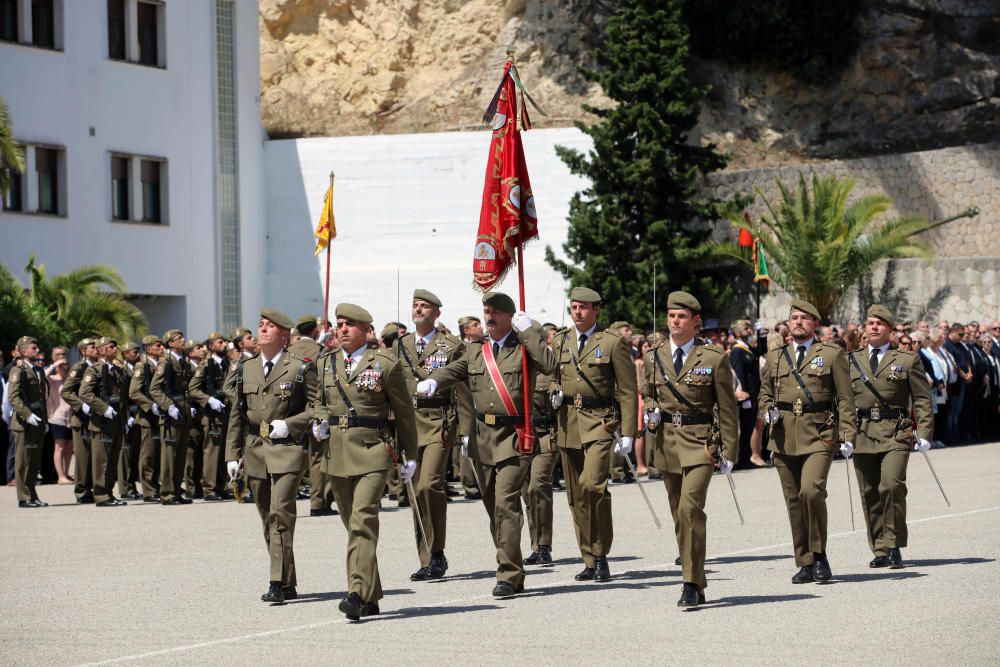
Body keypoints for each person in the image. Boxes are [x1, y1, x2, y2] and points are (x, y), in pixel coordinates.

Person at [416, 291, 555, 598]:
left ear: (509, 316)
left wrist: (530, 330)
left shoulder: (524, 348)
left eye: (495, 312)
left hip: (514, 436)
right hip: (483, 440)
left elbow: (549, 365)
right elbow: (456, 369)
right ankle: (511, 563)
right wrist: (435, 380)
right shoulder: (477, 350)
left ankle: (507, 574)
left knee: (506, 504)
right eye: (486, 311)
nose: (489, 317)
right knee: (494, 508)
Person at [310, 303, 415, 619]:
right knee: (353, 526)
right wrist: (318, 420)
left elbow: (405, 414)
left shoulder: (385, 363)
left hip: (373, 451)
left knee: (362, 522)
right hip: (337, 453)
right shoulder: (326, 363)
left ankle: (355, 593)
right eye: (340, 323)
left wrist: (410, 456)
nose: (342, 329)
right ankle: (371, 594)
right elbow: (319, 402)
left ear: (367, 330)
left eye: (350, 324)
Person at [641, 292, 738, 607]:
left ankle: (690, 583)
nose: (674, 322)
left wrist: (730, 450)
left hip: (700, 443)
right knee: (679, 516)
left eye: (681, 317)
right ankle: (697, 576)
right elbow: (647, 391)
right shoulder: (654, 355)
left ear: (696, 322)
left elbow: (726, 408)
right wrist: (652, 407)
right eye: (671, 316)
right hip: (667, 442)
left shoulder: (713, 357)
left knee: (689, 509)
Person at [758, 300, 856, 584]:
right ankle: (804, 561)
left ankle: (820, 552)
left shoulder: (831, 354)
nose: (798, 322)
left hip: (819, 433)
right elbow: (764, 394)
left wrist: (847, 433)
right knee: (793, 500)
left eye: (804, 318)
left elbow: (844, 398)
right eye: (794, 318)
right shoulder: (776, 356)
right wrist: (767, 410)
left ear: (815, 324)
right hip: (784, 435)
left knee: (811, 492)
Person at [225, 309, 319, 605]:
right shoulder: (246, 368)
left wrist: (289, 424)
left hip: (287, 449)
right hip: (255, 450)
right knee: (268, 519)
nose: (262, 330)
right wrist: (232, 454)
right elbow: (237, 414)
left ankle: (276, 582)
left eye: (269, 327)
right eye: (260, 325)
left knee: (281, 514)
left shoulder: (300, 367)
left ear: (283, 334)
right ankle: (288, 580)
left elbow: (317, 407)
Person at [551, 286, 638, 583]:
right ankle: (588, 557)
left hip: (600, 423)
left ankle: (601, 554)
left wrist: (629, 432)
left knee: (593, 487)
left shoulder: (613, 343)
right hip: (568, 423)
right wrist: (552, 390)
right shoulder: (561, 341)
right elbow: (547, 375)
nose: (578, 312)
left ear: (596, 309)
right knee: (576, 496)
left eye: (584, 307)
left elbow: (627, 390)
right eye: (574, 307)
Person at [847, 305, 934, 569]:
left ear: (890, 330)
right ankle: (880, 548)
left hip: (896, 431)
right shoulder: (850, 360)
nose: (873, 327)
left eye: (880, 323)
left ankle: (894, 544)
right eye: (870, 322)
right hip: (862, 432)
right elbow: (841, 400)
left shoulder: (907, 360)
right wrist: (842, 433)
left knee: (892, 485)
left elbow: (921, 398)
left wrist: (925, 432)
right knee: (870, 492)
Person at [395, 289, 473, 582]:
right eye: (415, 305)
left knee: (429, 485)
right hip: (409, 424)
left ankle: (437, 551)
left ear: (437, 313)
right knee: (415, 493)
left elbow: (463, 391)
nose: (418, 309)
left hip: (439, 422)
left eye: (425, 306)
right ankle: (427, 557)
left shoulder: (451, 346)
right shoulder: (399, 345)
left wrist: (466, 431)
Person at [78, 337, 129, 507]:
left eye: (115, 346)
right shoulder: (94, 370)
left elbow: (123, 395)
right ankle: (100, 495)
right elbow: (84, 393)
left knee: (113, 459)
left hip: (116, 420)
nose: (115, 349)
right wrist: (103, 408)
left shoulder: (116, 369)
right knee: (102, 461)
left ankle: (108, 492)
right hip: (102, 421)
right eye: (111, 346)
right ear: (101, 350)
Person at [150, 329, 194, 505]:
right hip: (171, 414)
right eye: (179, 339)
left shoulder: (182, 361)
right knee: (169, 455)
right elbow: (154, 388)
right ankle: (167, 493)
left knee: (181, 454)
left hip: (182, 412)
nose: (183, 340)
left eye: (182, 337)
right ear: (170, 343)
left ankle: (176, 491)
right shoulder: (165, 362)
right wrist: (168, 406)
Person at [189, 332, 231, 502]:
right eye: (220, 342)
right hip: (212, 414)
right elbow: (193, 389)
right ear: (212, 346)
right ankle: (209, 488)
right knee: (212, 452)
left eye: (225, 341)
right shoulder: (206, 364)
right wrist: (209, 400)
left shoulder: (227, 363)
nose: (225, 344)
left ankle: (220, 486)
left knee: (222, 453)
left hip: (226, 412)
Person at [8, 336, 49, 507]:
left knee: (33, 462)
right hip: (24, 423)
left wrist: (44, 420)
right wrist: (27, 414)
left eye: (37, 347)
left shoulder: (38, 370)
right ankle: (23, 497)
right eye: (33, 348)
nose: (37, 351)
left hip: (37, 421)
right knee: (23, 462)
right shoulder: (18, 371)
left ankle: (32, 494)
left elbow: (42, 398)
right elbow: (13, 397)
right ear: (23, 352)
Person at [61, 338, 98, 503]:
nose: (96, 349)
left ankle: (91, 488)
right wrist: (81, 405)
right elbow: (66, 391)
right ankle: (82, 491)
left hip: (95, 417)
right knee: (83, 456)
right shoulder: (79, 367)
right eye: (92, 347)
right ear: (84, 351)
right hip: (81, 418)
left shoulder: (97, 367)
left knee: (94, 455)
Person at [130, 335, 163, 501]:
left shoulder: (161, 365)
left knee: (158, 454)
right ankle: (149, 490)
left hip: (161, 415)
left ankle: (156, 486)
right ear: (149, 349)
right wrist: (151, 405)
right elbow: (134, 391)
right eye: (158, 346)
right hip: (148, 417)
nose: (161, 348)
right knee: (148, 455)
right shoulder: (142, 367)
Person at [116, 341, 143, 499]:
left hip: (138, 414)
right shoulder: (122, 370)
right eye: (134, 352)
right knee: (125, 453)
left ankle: (132, 486)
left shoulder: (138, 368)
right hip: (127, 413)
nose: (137, 354)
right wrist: (127, 417)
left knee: (134, 453)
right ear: (126, 354)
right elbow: (122, 397)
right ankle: (125, 488)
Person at [45, 346, 73, 484]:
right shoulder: (51, 377)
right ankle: (60, 476)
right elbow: (41, 377)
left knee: (69, 447)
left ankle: (66, 474)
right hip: (57, 417)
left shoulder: (70, 377)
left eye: (63, 354)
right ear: (52, 357)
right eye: (57, 354)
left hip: (71, 417)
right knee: (59, 446)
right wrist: (54, 365)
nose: (61, 356)